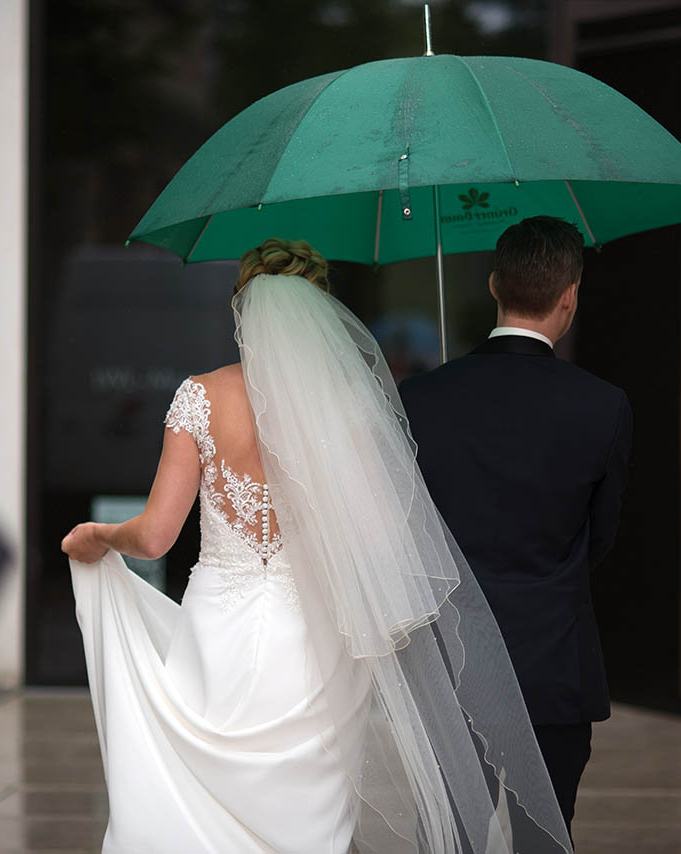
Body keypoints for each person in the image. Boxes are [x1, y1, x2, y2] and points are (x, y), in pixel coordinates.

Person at [61, 239, 572, 853]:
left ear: (240, 310)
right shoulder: (349, 409)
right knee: (305, 810)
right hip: (315, 641)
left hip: (217, 628)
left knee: (197, 790)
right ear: (319, 315)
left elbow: (154, 536)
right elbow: (384, 538)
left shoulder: (200, 397)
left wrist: (98, 535)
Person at [399, 216, 633, 844]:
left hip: (452, 665)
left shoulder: (421, 398)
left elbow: (409, 532)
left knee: (448, 838)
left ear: (496, 283)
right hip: (553, 665)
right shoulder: (602, 405)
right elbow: (601, 537)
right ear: (570, 296)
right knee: (543, 840)